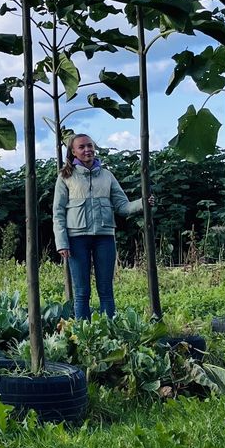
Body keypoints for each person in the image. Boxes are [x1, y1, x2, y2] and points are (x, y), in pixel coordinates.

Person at [52, 133, 148, 320]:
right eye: (82, 147)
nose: (87, 150)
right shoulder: (65, 177)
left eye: (90, 145)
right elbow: (58, 212)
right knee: (82, 292)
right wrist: (62, 242)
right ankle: (83, 334)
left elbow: (122, 206)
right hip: (76, 239)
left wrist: (143, 202)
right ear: (73, 152)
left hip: (104, 237)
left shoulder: (107, 176)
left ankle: (108, 333)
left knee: (106, 290)